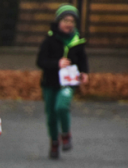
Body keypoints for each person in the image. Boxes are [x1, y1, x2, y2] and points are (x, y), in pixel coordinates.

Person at [36, 3, 89, 159]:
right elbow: (40, 61)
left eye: (72, 21)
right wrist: (56, 64)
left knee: (61, 106)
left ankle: (65, 134)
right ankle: (54, 142)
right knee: (51, 115)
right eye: (65, 20)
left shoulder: (77, 41)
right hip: (50, 82)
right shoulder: (49, 40)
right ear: (59, 22)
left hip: (68, 82)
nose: (68, 24)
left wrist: (85, 72)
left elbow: (83, 60)